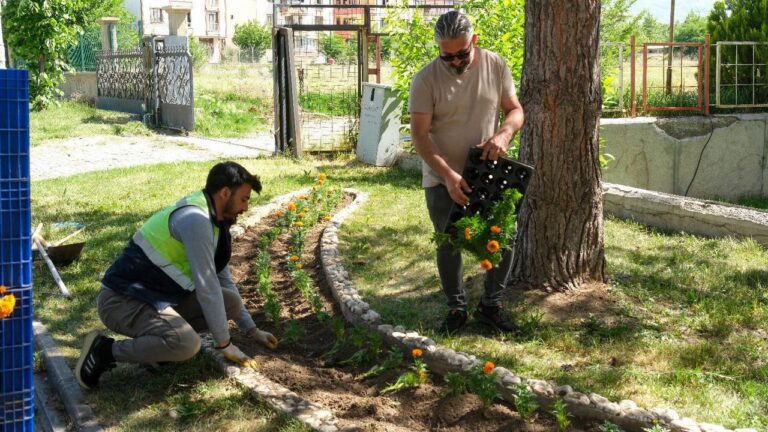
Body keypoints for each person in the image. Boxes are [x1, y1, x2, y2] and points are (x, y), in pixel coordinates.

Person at [76, 161, 278, 389]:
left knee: (229, 302)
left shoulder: (216, 221)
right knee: (187, 344)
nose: (246, 208)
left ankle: (159, 351)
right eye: (244, 199)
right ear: (224, 193)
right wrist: (224, 344)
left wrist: (252, 330)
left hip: (156, 298)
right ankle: (105, 351)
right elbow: (207, 286)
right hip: (122, 301)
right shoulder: (196, 220)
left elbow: (222, 278)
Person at [409, 11, 525, 335]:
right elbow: (419, 134)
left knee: (505, 239)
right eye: (447, 56)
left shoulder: (496, 65)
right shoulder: (426, 79)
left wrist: (503, 134)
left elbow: (515, 110)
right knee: (449, 242)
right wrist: (446, 175)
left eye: (462, 54)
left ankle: (491, 306)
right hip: (440, 175)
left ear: (474, 41)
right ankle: (456, 308)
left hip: (485, 172)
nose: (456, 62)